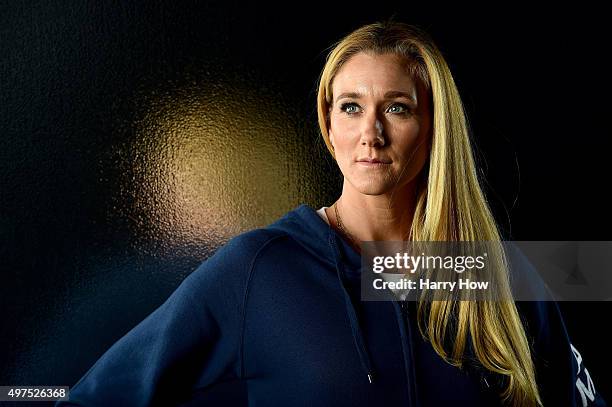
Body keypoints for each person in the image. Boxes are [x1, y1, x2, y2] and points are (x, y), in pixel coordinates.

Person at [56, 20, 606, 407]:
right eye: (351, 107)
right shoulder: (261, 268)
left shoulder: (493, 273)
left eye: (397, 107)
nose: (371, 133)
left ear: (434, 127)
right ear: (329, 125)